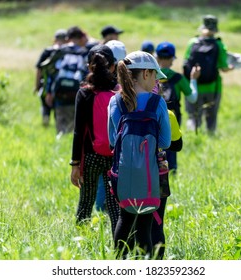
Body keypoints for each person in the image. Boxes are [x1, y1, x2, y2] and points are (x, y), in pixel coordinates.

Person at [108, 51, 171, 259]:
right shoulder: (157, 102)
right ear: (145, 74)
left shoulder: (115, 102)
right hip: (150, 173)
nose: (156, 80)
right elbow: (165, 142)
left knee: (124, 220)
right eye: (154, 75)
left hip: (122, 172)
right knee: (145, 224)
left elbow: (111, 140)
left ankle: (118, 264)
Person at [69, 44, 120, 234]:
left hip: (91, 157)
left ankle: (81, 240)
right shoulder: (120, 92)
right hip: (115, 158)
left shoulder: (84, 93)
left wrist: (75, 164)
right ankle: (119, 245)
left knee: (86, 201)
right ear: (113, 66)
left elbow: (78, 132)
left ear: (89, 66)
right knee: (115, 205)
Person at [151, 66, 200, 260]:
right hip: (158, 173)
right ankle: (156, 263)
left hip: (127, 171)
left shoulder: (120, 105)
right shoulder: (167, 112)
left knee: (129, 220)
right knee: (157, 220)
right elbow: (176, 145)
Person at [183, 15, 234, 134]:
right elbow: (224, 68)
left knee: (194, 116)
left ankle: (194, 138)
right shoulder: (219, 45)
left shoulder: (192, 42)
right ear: (216, 29)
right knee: (211, 116)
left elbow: (186, 63)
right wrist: (231, 67)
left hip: (193, 86)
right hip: (213, 87)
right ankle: (210, 136)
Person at [94, 40, 127, 212]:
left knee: (101, 180)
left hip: (98, 144)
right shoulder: (124, 88)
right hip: (120, 144)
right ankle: (115, 212)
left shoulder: (92, 86)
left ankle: (100, 213)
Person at [47, 26, 99, 135]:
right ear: (81, 39)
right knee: (75, 127)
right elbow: (87, 75)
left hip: (59, 94)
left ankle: (59, 142)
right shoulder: (84, 53)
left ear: (67, 38)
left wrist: (49, 92)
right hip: (77, 94)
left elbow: (51, 73)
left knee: (61, 124)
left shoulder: (60, 51)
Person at [155, 41, 197, 172]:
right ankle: (171, 170)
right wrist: (193, 79)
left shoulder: (150, 76)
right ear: (173, 58)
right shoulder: (178, 78)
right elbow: (192, 98)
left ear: (156, 57)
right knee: (172, 145)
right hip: (173, 117)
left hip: (153, 117)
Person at [34, 29, 68, 127]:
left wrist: (36, 86)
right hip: (61, 87)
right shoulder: (68, 51)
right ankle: (59, 128)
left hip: (45, 86)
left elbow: (39, 69)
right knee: (59, 110)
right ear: (67, 40)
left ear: (54, 39)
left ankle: (45, 124)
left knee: (45, 108)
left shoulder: (47, 51)